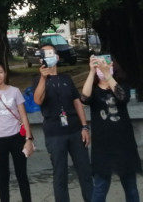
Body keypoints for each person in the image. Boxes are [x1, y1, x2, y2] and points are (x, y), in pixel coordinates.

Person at [32, 43, 92, 202]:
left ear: (57, 57)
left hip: (75, 129)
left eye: (51, 53)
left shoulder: (67, 79)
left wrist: (84, 126)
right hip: (54, 133)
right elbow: (38, 100)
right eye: (44, 54)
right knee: (60, 175)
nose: (48, 57)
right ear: (40, 59)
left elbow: (77, 102)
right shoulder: (38, 80)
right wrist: (44, 78)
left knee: (85, 171)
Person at [79, 55, 141, 202]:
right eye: (99, 64)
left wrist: (107, 74)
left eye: (106, 64)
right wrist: (92, 71)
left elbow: (122, 97)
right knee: (100, 187)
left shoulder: (121, 84)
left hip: (124, 143)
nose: (102, 67)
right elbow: (84, 98)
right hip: (102, 146)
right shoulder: (93, 89)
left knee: (130, 186)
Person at [0, 60, 34, 202]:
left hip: (17, 137)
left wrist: (28, 140)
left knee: (21, 174)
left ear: (5, 73)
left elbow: (23, 116)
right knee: (3, 176)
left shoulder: (15, 91)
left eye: (0, 72)